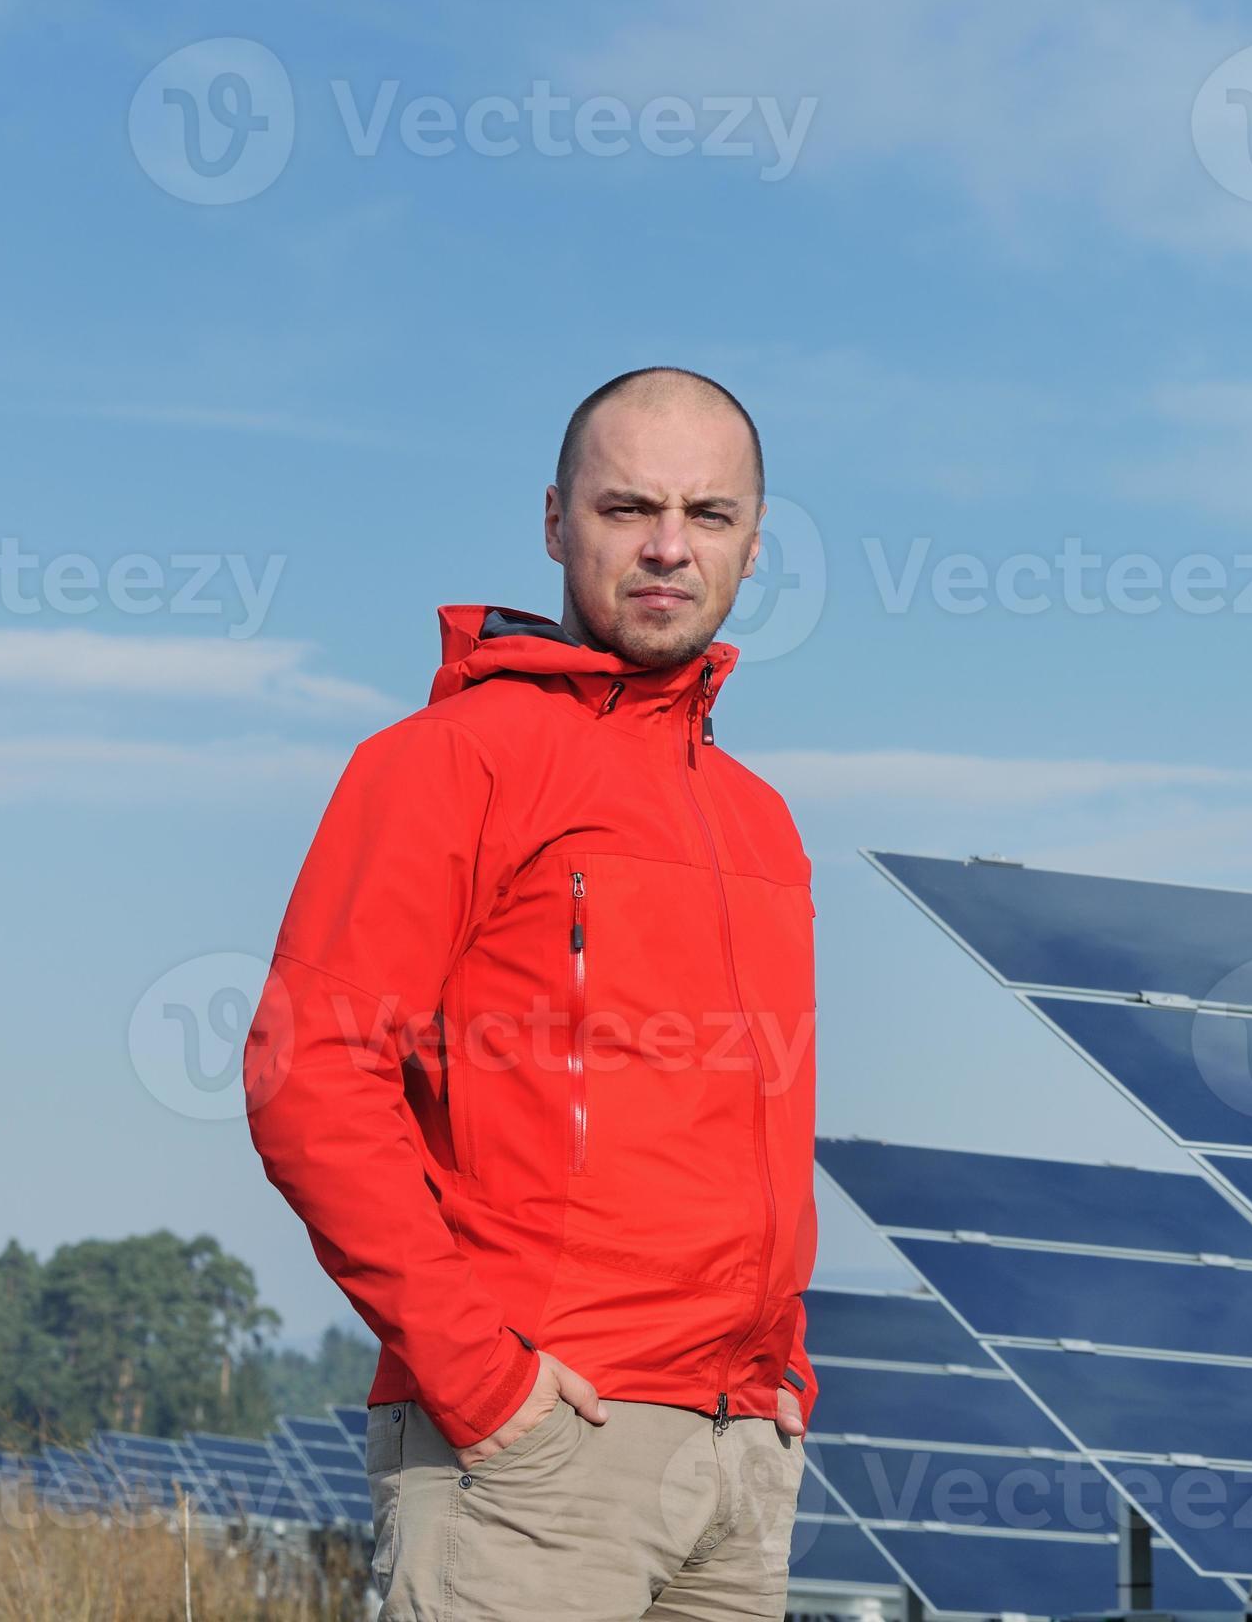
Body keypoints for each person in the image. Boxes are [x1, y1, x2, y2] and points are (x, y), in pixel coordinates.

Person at [245, 367, 820, 1620]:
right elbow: (309, 1073)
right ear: (556, 523)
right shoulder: (448, 760)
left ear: (754, 541)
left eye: (708, 514)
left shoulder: (759, 820)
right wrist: (483, 1381)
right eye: (628, 508)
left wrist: (781, 1377)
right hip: (536, 1457)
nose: (668, 545)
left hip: (738, 1458)